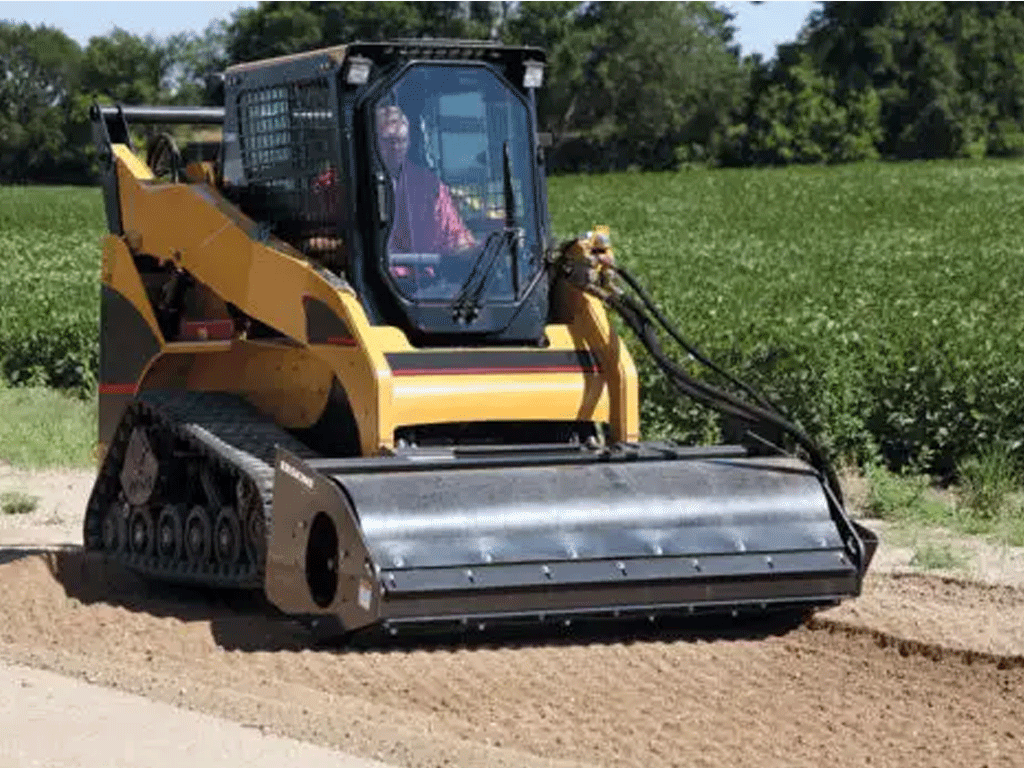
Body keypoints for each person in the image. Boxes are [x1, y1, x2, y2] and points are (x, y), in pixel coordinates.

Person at [375, 105, 476, 256]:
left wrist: (479, 250)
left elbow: (454, 238)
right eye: (388, 140)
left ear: (409, 142)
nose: (395, 147)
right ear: (372, 140)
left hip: (421, 277)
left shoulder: (429, 186)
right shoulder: (339, 183)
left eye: (401, 140)